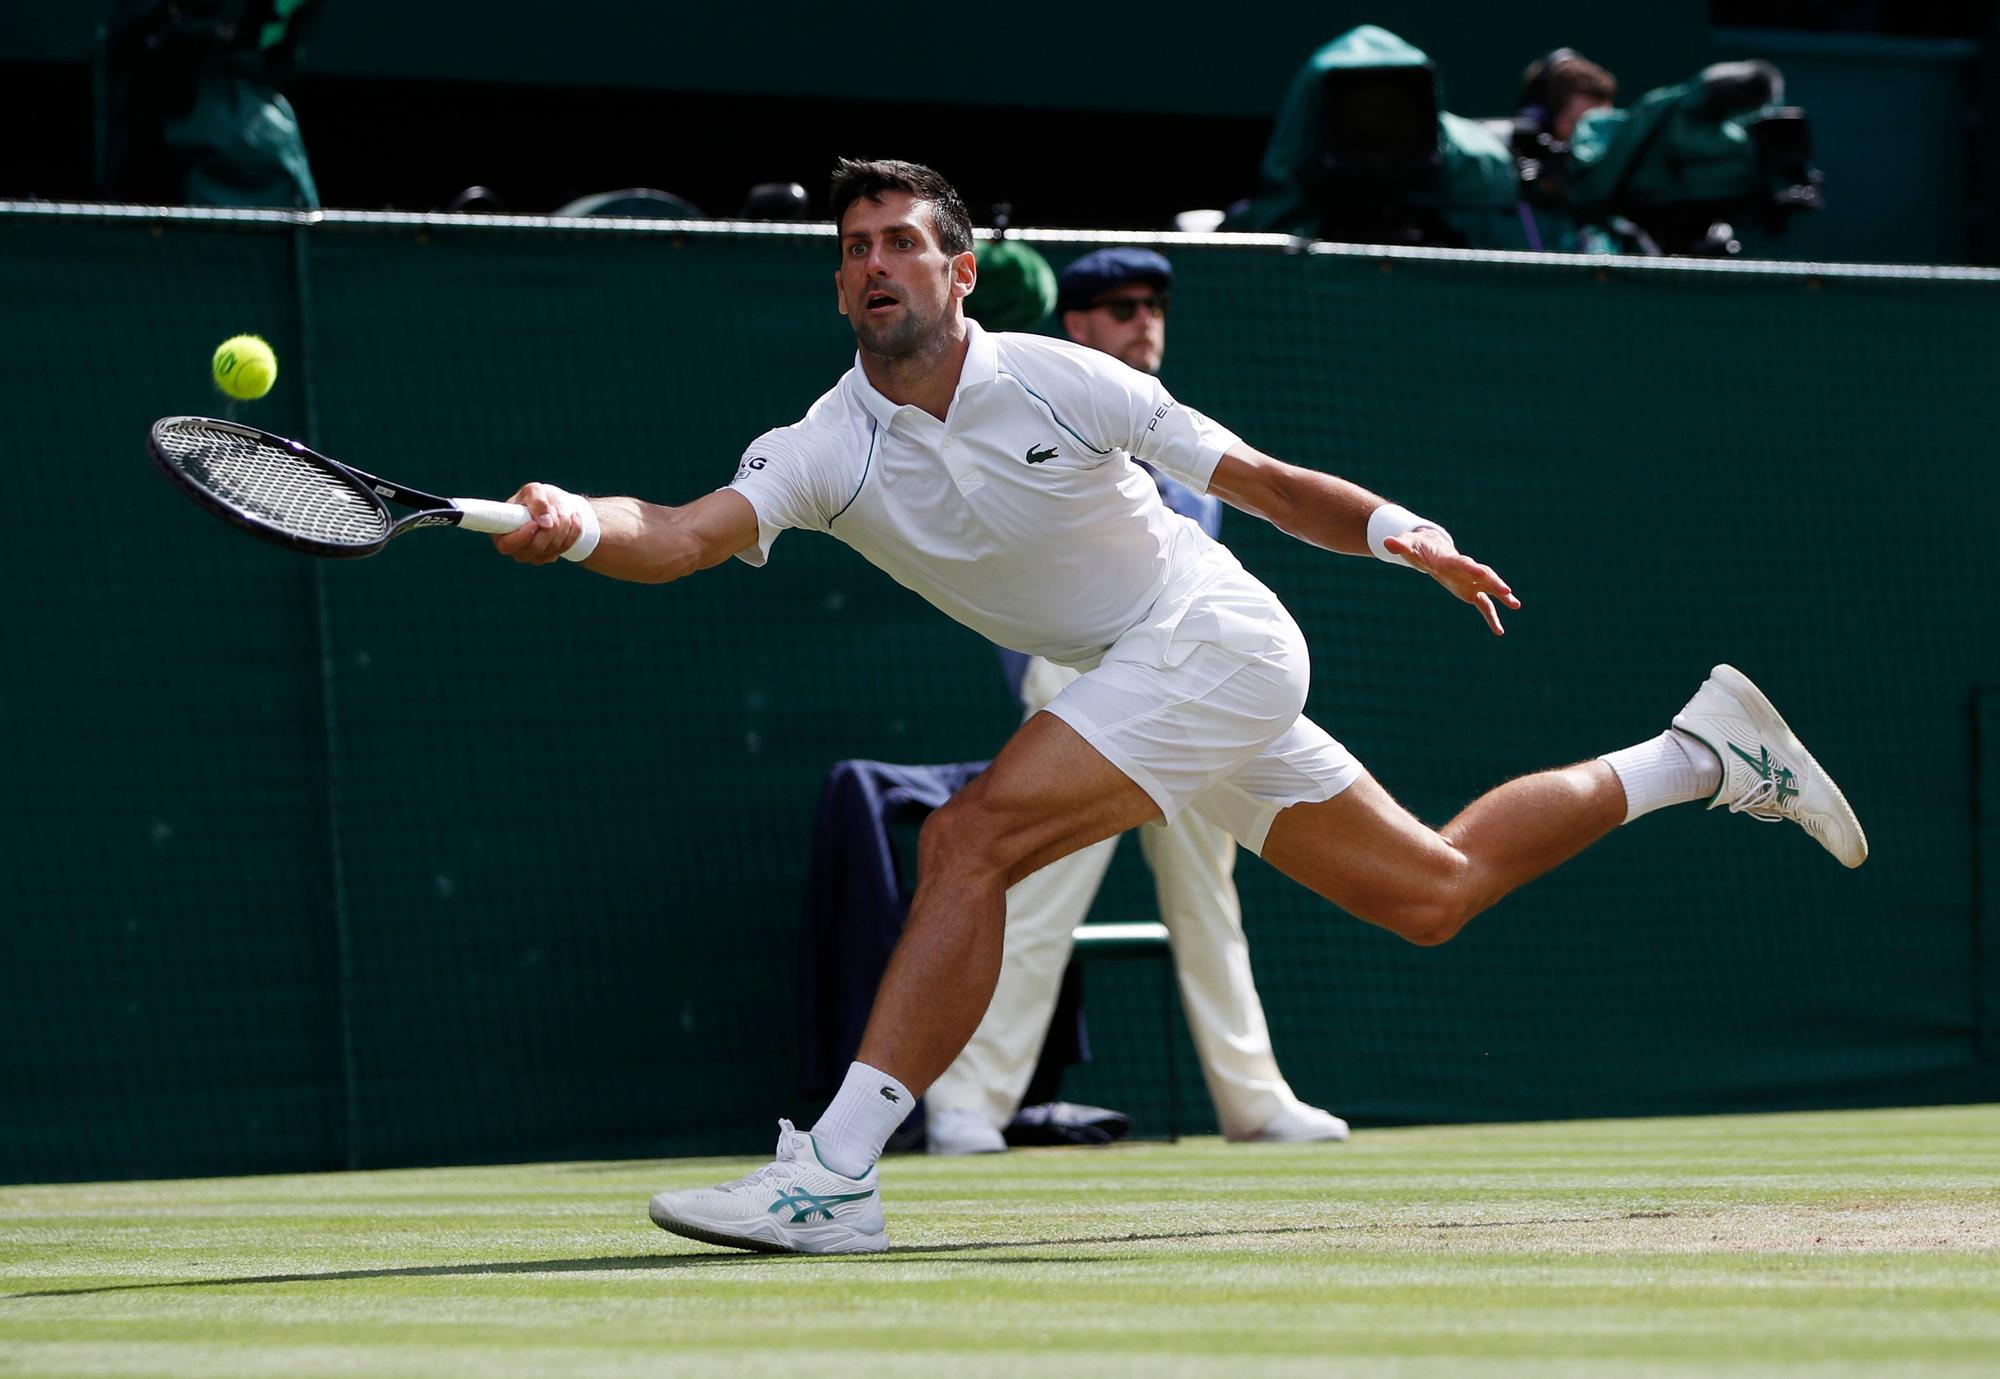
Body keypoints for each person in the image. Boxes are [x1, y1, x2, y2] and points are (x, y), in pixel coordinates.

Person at [490, 158, 1867, 1256]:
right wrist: (578, 521)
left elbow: (1259, 478)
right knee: (1433, 889)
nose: (873, 265)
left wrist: (1402, 529)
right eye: (853, 248)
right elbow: (677, 529)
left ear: (959, 271)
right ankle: (1701, 751)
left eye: (901, 241)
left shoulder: (1061, 372)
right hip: (1142, 675)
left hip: (1212, 634)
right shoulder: (823, 444)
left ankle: (835, 1172)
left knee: (970, 840)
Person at [924, 246, 1348, 1155]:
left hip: (1191, 684)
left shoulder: (1176, 429)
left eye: (1153, 303)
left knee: (1209, 896)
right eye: (1119, 306)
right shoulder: (1033, 408)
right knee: (1037, 897)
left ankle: (1254, 1101)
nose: (1142, 319)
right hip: (1082, 685)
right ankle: (965, 1104)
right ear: (1074, 325)